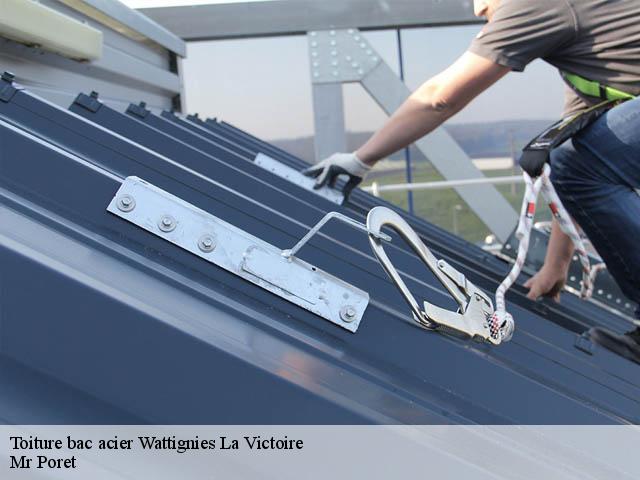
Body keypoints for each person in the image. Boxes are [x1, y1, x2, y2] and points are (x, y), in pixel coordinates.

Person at [303, 0, 640, 363]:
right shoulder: (589, 50)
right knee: (576, 159)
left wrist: (360, 159)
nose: (478, 10)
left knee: (576, 164)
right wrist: (556, 264)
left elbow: (439, 98)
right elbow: (577, 148)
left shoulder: (533, 3)